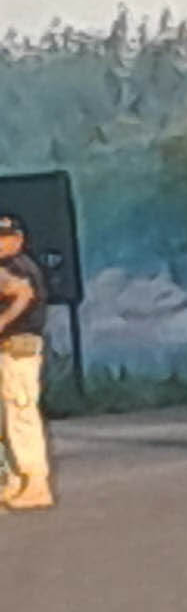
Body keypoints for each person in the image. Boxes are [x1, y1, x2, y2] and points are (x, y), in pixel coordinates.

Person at [0, 214, 52, 511]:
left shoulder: (17, 267)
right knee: (12, 416)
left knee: (20, 416)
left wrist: (3, 321)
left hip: (19, 346)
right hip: (12, 347)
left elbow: (22, 292)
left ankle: (35, 484)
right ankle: (17, 481)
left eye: (5, 236)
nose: (0, 242)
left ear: (18, 240)